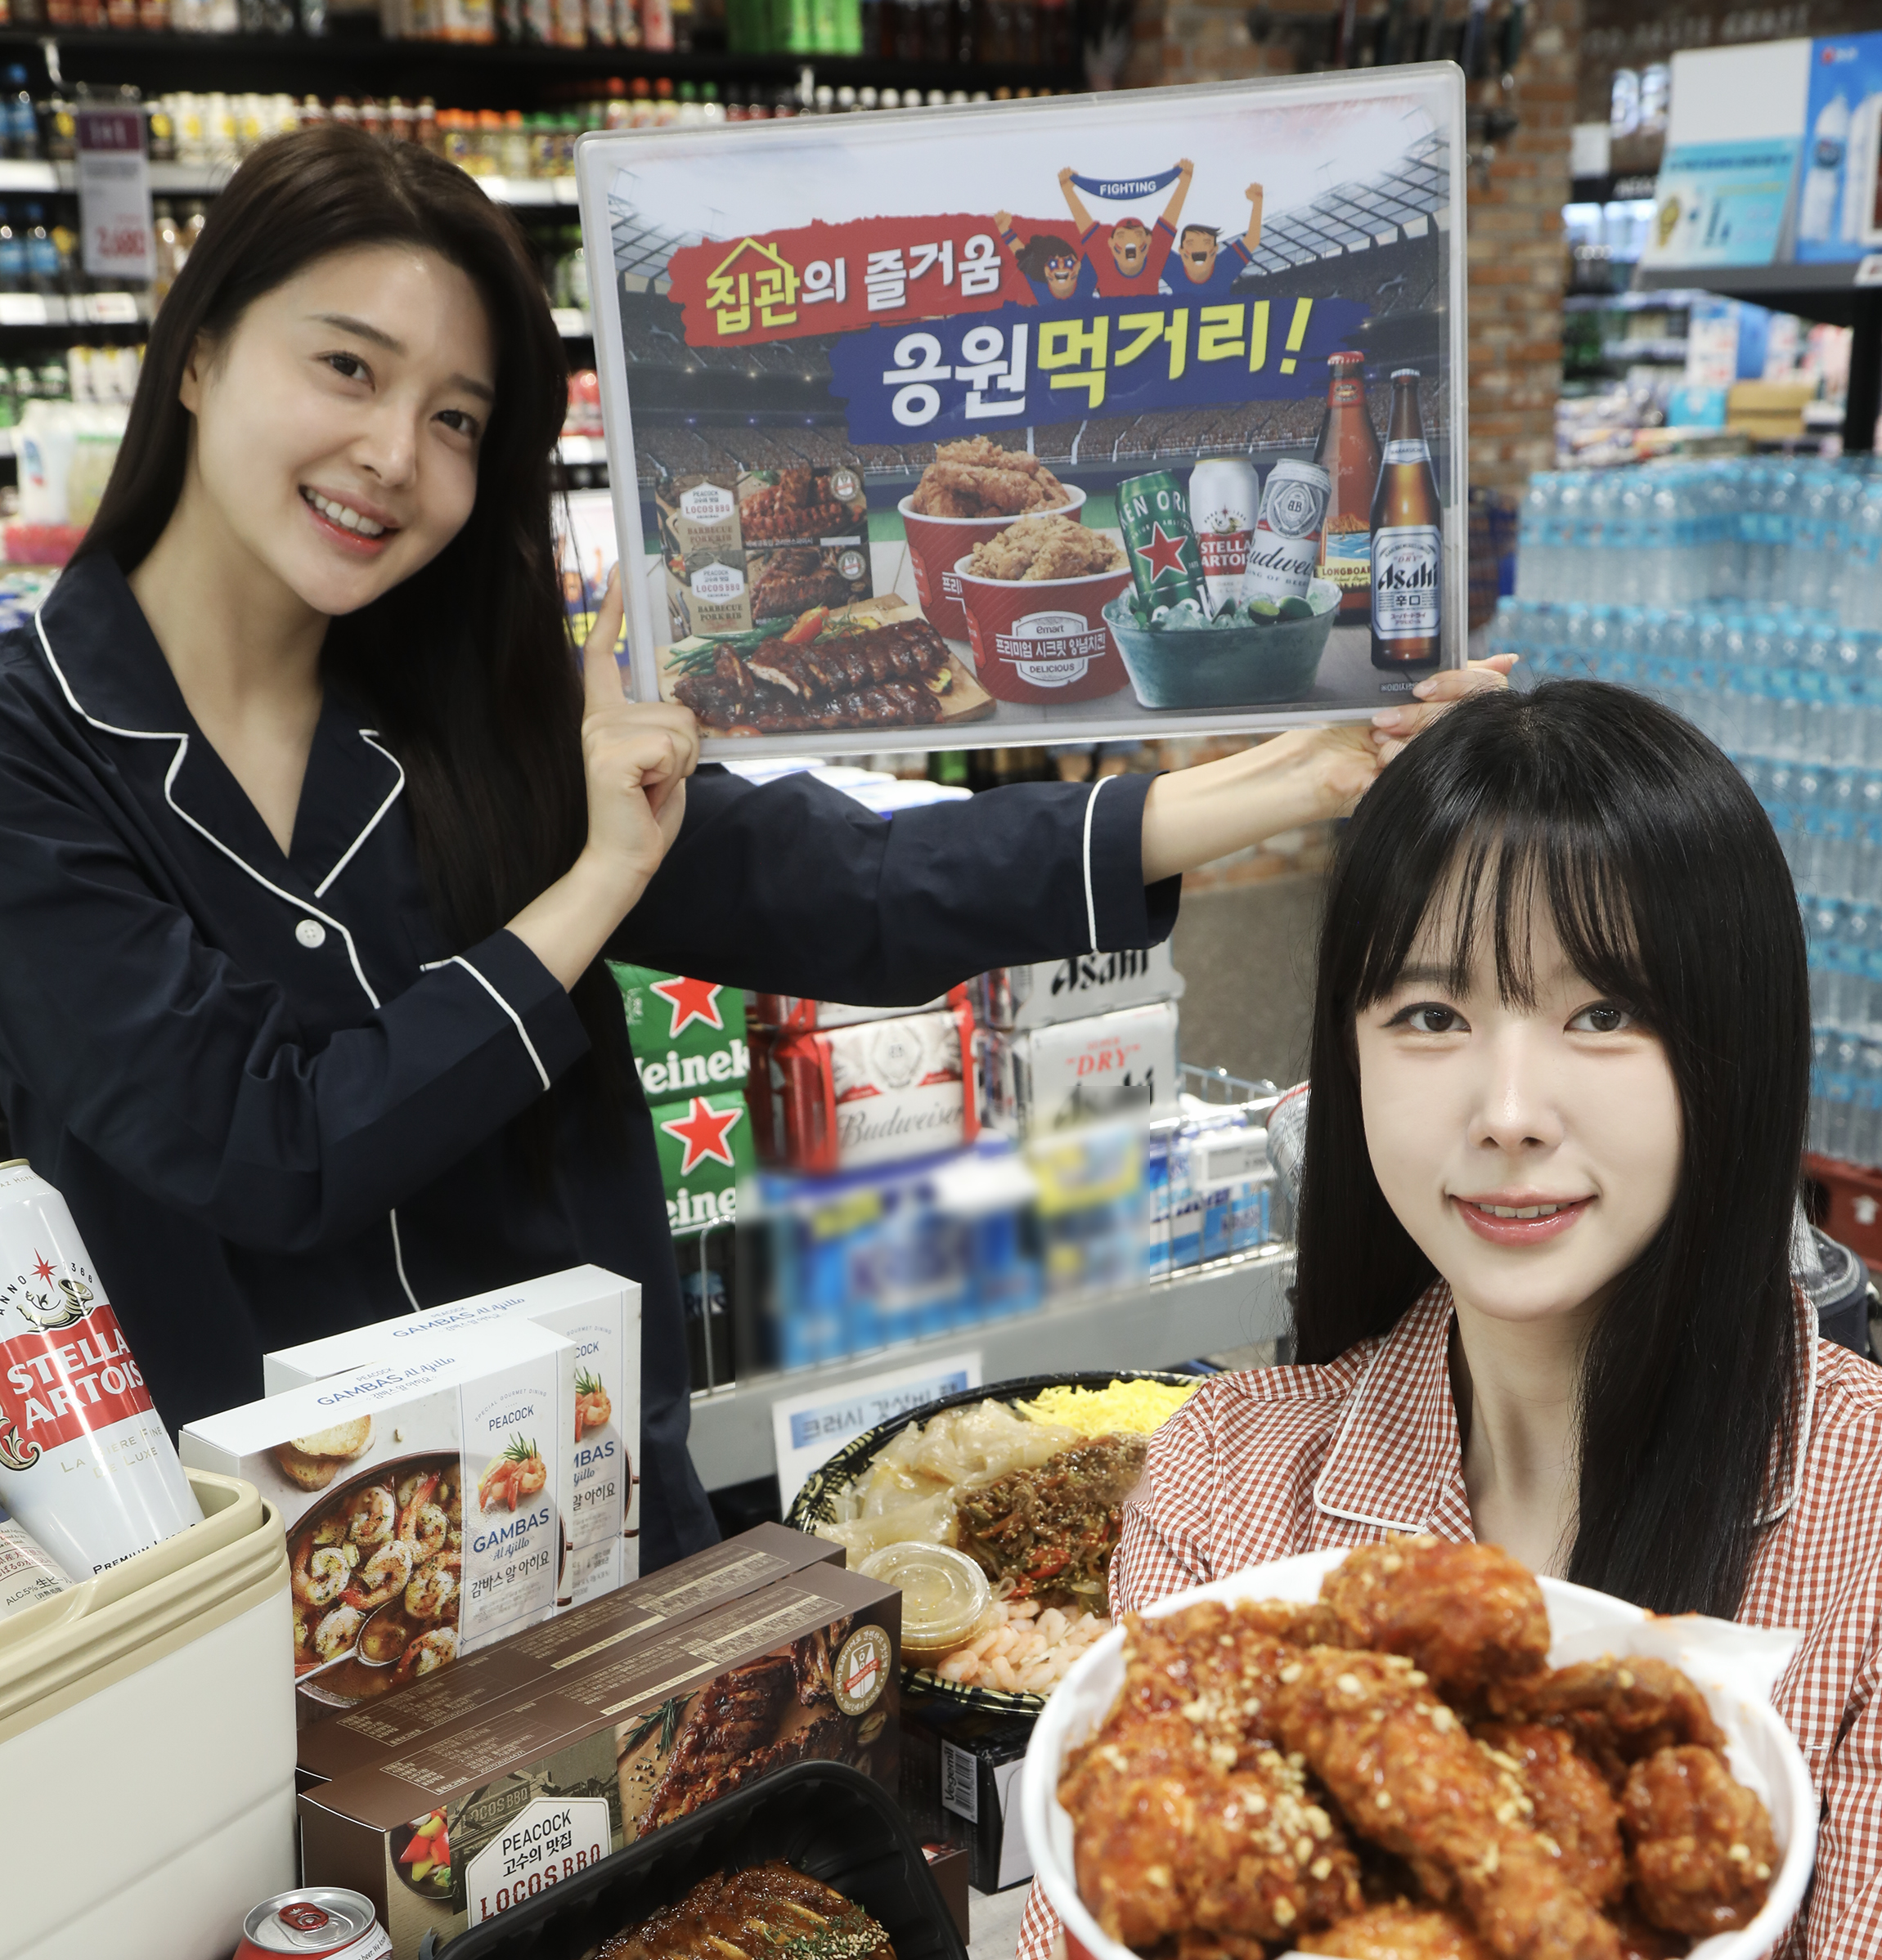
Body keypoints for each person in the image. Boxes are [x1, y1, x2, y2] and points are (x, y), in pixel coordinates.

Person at [0, 124, 1486, 1572]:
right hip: (261, 1601)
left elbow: (834, 884)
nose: (394, 453)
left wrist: (1284, 777)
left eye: (457, 419)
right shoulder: (34, 748)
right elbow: (263, 1145)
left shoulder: (469, 703)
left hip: (575, 1540)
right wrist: (594, 885)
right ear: (197, 351)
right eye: (348, 367)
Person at [1017, 678, 1882, 1960]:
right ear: (1344, 1053)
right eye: (1428, 1013)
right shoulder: (1230, 1481)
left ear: (1733, 1045)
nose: (1505, 1107)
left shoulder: (1862, 1529)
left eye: (1601, 1014)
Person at [1057, 159, 1193, 297]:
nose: (1130, 241)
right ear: (1111, 243)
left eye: (1138, 235)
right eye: (1121, 236)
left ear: (1148, 241)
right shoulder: (1104, 260)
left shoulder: (1153, 257)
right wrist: (1067, 189)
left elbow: (1169, 220)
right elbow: (1084, 222)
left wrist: (1185, 181)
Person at [1166, 184, 1264, 295]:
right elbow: (1157, 242)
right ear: (1181, 250)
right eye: (1190, 243)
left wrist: (1258, 202)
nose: (1199, 249)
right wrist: (1184, 183)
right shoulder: (1175, 268)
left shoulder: (1222, 267)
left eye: (1206, 243)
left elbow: (1252, 240)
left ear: (1215, 249)